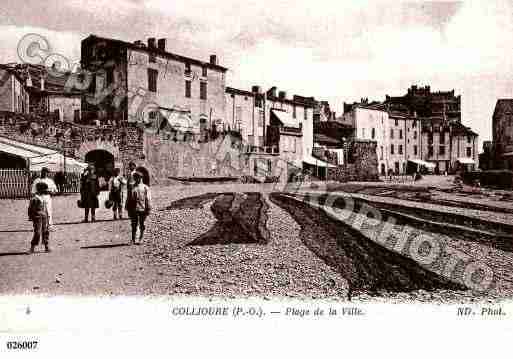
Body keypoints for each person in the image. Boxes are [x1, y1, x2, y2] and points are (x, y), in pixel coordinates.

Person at [126, 171, 151, 245]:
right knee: (134, 224)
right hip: (133, 208)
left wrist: (148, 208)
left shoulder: (145, 187)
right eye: (135, 178)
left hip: (142, 208)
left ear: (141, 178)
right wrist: (127, 207)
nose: (137, 179)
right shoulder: (131, 187)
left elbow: (148, 199)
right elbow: (128, 198)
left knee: (142, 224)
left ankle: (141, 238)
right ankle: (133, 239)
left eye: (139, 178)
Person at [28, 182, 51, 253]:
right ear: (40, 190)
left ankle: (46, 246)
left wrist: (48, 215)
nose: (46, 191)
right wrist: (31, 216)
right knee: (37, 232)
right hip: (37, 217)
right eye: (45, 190)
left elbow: (46, 208)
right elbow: (30, 208)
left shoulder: (44, 198)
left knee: (46, 231)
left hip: (44, 216)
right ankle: (32, 247)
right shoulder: (34, 198)